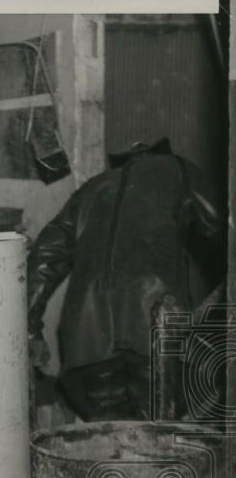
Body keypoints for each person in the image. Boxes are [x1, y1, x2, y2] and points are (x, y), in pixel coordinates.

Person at [27, 138, 223, 421]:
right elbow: (222, 231)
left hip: (86, 348)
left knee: (110, 445)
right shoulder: (180, 169)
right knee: (159, 442)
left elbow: (43, 258)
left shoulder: (90, 189)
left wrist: (32, 330)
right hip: (155, 340)